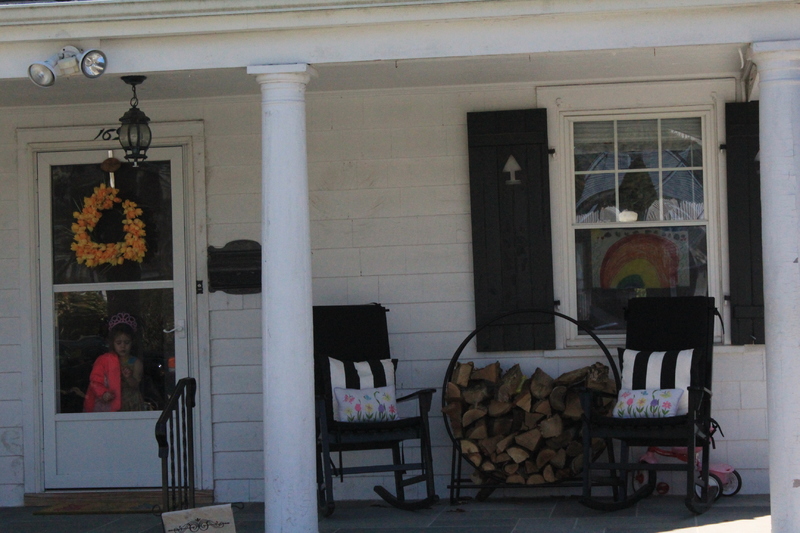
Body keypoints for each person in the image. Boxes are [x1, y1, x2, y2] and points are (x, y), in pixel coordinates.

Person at [83, 312, 145, 412]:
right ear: (113, 343)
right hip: (111, 401)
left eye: (126, 342)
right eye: (119, 343)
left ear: (132, 342)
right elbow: (96, 380)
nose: (123, 346)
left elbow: (135, 385)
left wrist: (129, 377)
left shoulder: (135, 362)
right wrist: (103, 393)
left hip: (129, 402)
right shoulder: (106, 361)